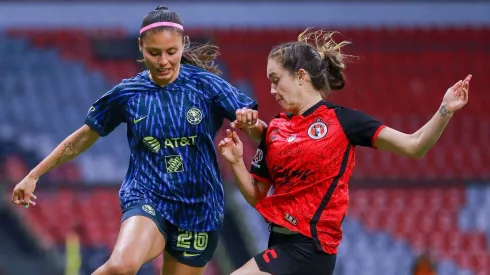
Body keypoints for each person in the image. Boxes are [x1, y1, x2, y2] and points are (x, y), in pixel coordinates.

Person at [11, 6, 266, 275]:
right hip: (148, 196)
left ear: (183, 45)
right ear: (141, 47)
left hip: (199, 206)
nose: (163, 61)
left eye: (172, 52)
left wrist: (251, 125)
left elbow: (259, 131)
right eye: (154, 53)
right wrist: (34, 174)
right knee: (121, 266)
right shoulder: (128, 93)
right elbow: (83, 137)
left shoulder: (206, 85)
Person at [218, 29, 472, 275]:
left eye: (276, 80)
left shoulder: (344, 121)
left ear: (301, 76)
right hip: (279, 244)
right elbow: (257, 196)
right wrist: (237, 161)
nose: (272, 90)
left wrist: (445, 110)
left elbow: (414, 145)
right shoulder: (276, 128)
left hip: (310, 249)